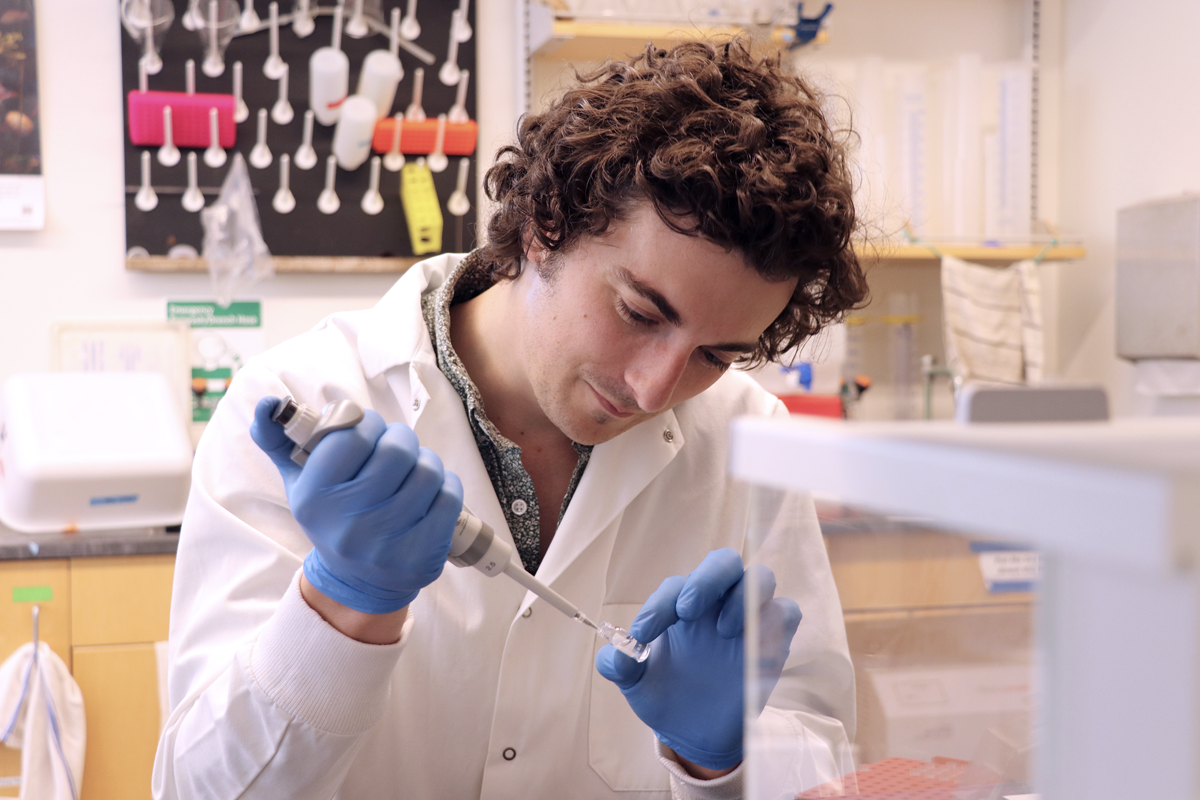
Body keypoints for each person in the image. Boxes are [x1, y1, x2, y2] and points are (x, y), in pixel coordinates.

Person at [153, 39, 868, 800]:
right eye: (638, 312)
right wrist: (340, 604)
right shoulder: (304, 398)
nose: (656, 390)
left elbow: (821, 758)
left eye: (715, 356)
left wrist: (718, 761)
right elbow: (196, 789)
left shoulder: (750, 444)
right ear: (543, 225)